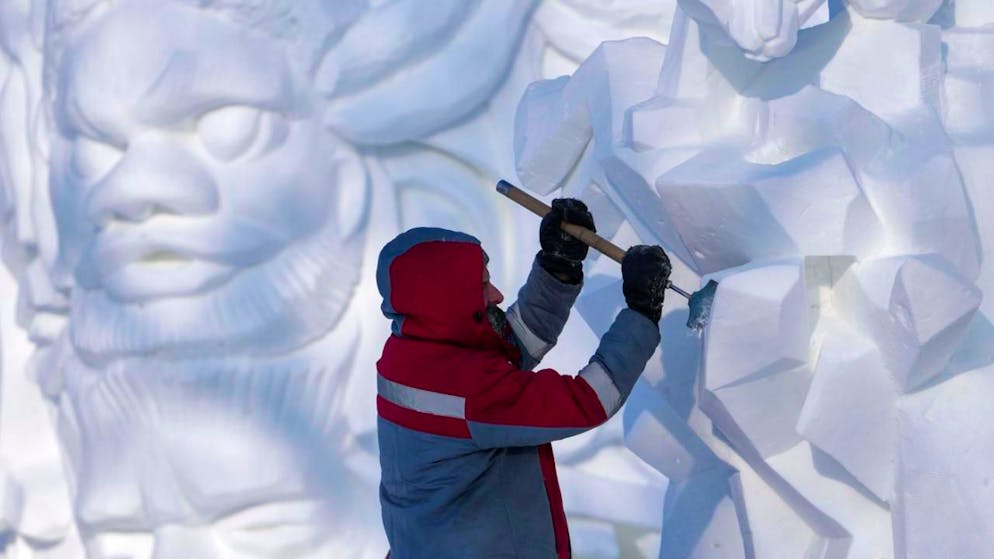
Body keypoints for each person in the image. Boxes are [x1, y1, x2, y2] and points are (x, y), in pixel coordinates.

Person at [375, 199, 672, 558]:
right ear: (447, 301)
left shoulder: (411, 352)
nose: (497, 294)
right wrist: (641, 312)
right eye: (482, 286)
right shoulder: (469, 390)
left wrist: (557, 267)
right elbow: (588, 400)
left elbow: (508, 349)